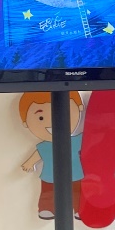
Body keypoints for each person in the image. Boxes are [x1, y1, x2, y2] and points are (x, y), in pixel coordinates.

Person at [19, 91, 84, 220]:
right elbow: (38, 154)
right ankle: (47, 208)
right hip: (50, 175)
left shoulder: (77, 140)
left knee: (77, 192)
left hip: (74, 173)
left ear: (79, 108)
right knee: (48, 193)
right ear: (26, 122)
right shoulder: (45, 146)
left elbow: (90, 145)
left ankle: (79, 208)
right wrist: (29, 164)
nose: (52, 122)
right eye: (41, 118)